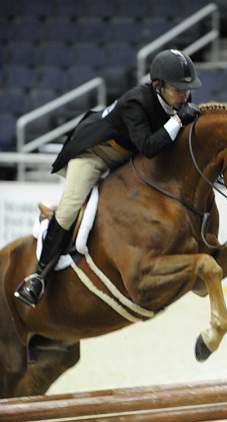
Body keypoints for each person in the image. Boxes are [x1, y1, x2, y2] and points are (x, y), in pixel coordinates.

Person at [15, 49, 202, 308]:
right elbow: (148, 147)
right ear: (158, 86)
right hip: (95, 154)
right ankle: (38, 276)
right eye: (178, 89)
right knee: (70, 208)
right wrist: (178, 121)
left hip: (125, 156)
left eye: (187, 89)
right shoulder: (136, 102)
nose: (184, 95)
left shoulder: (175, 102)